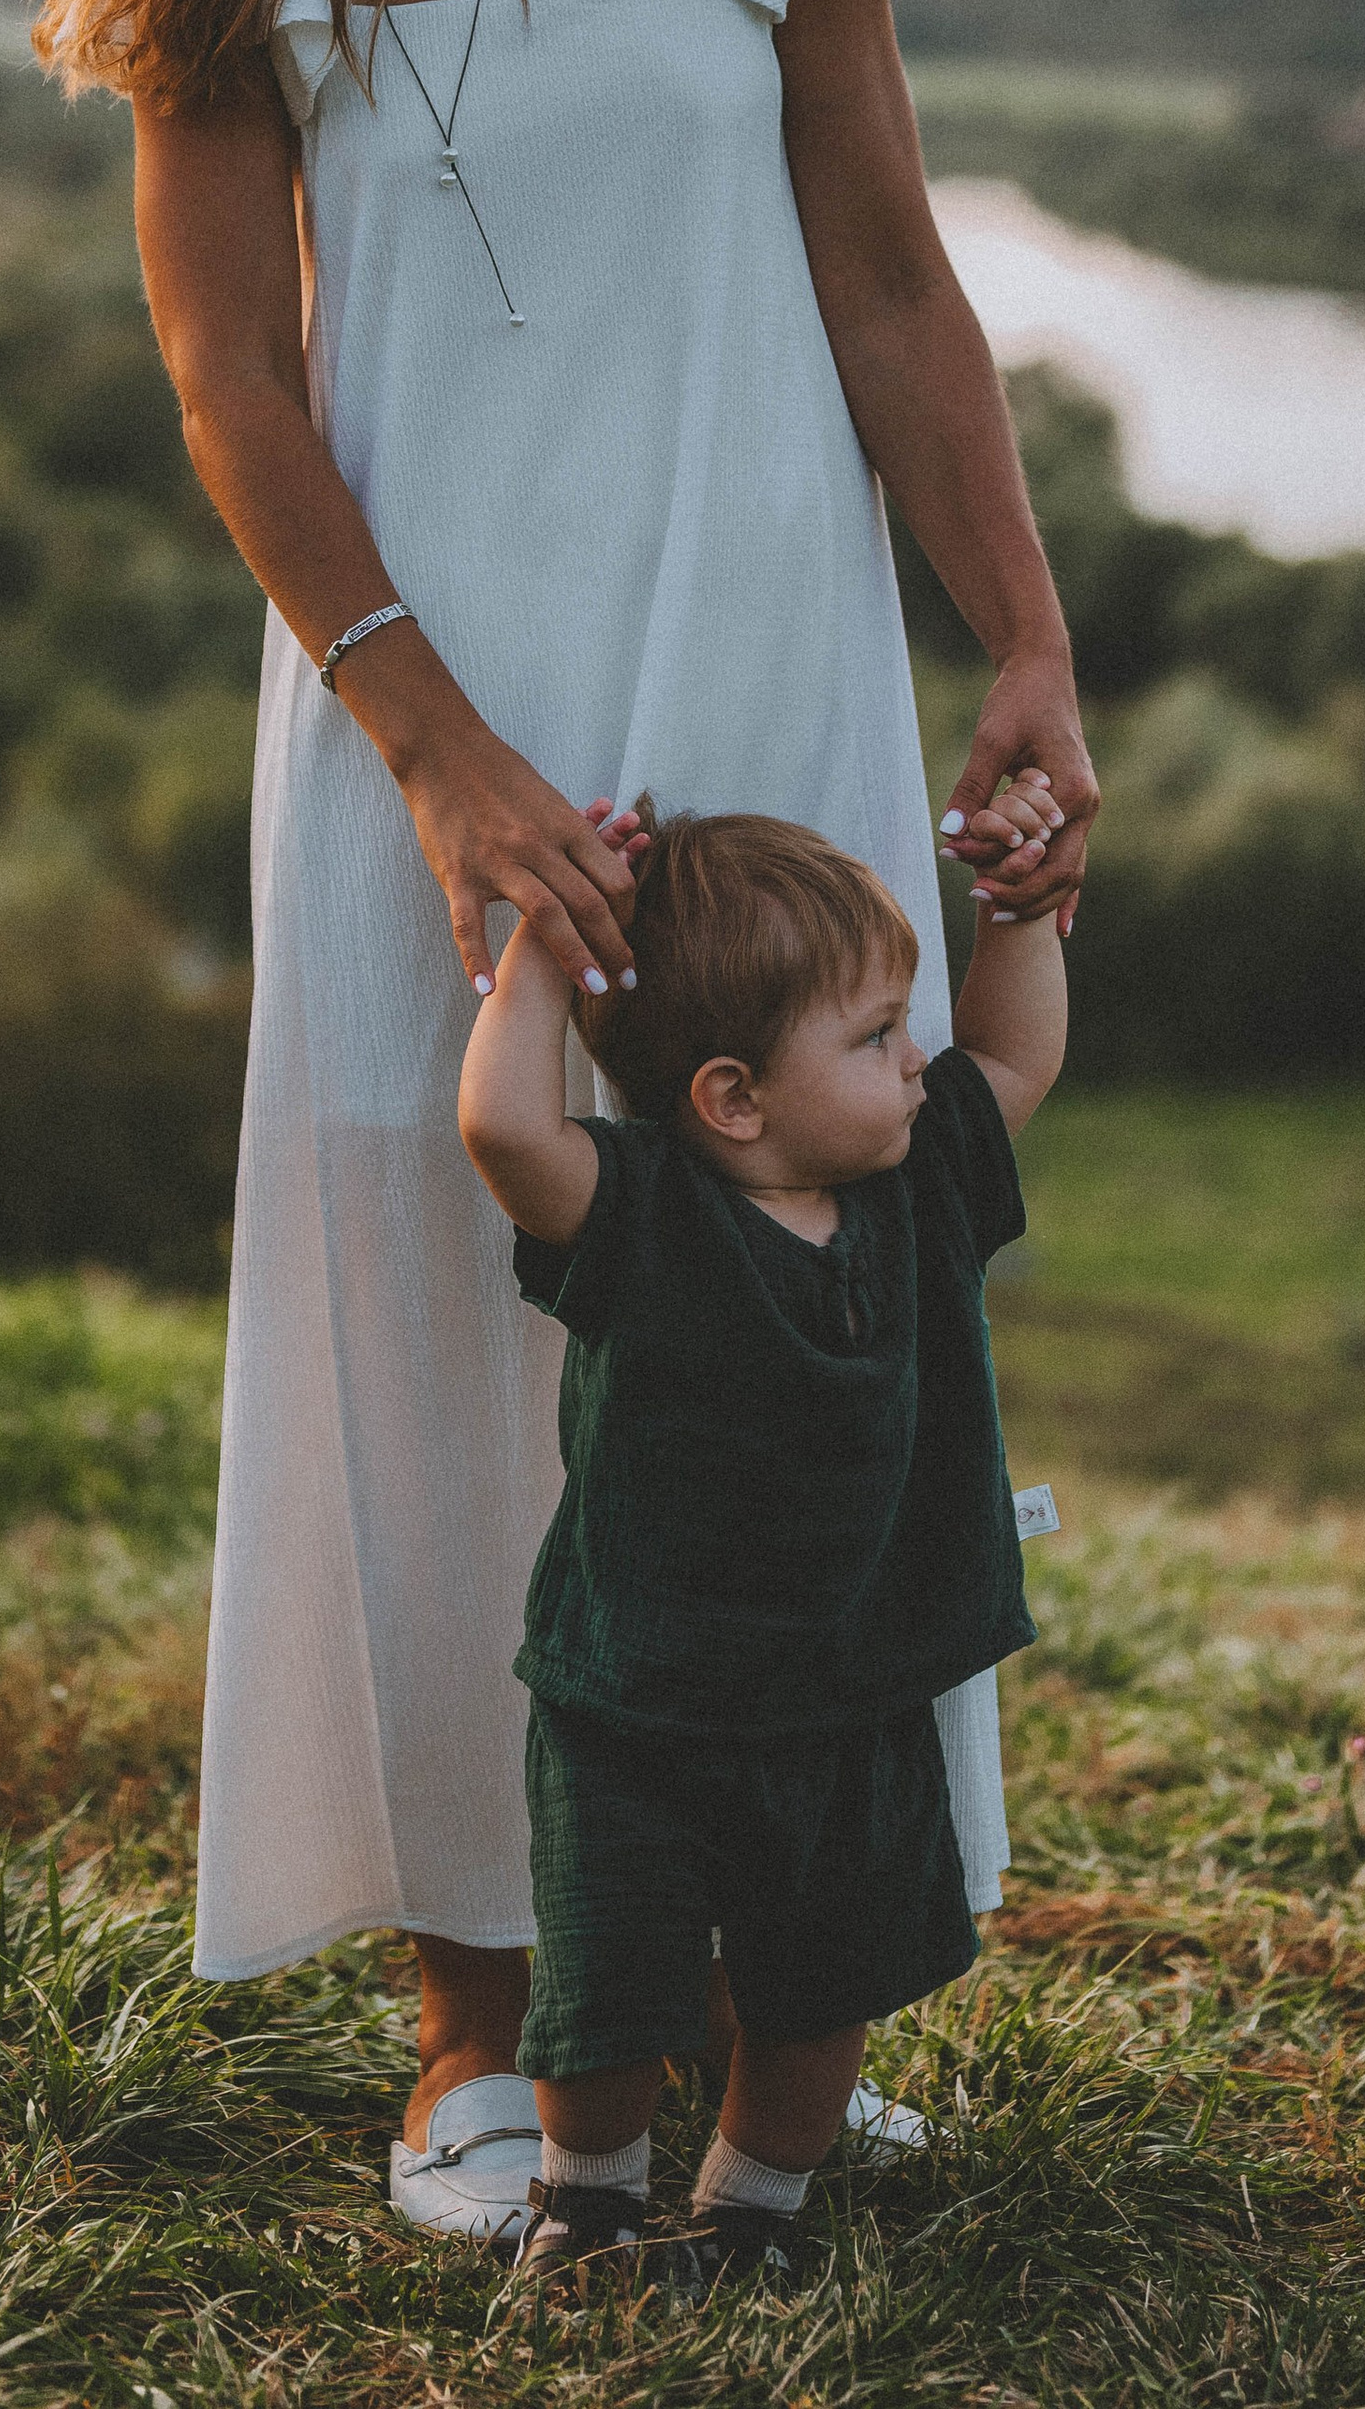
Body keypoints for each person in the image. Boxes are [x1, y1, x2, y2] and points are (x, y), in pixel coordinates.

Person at [36, 0, 1097, 2233]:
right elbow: (237, 379)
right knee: (428, 1286)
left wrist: (1015, 636)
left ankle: (780, 2017)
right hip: (426, 715)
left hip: (767, 651)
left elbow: (891, 274)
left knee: (805, 1305)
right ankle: (481, 2036)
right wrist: (436, 752)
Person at [457, 791, 1069, 2287]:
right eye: (872, 1037)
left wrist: (1021, 914)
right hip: (637, 1707)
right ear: (732, 1096)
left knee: (821, 1993)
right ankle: (586, 2200)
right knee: (607, 1992)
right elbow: (501, 1123)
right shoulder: (643, 1209)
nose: (913, 1055)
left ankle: (749, 2214)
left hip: (852, 1695)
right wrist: (548, 944)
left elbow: (1020, 1053)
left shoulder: (919, 1182)